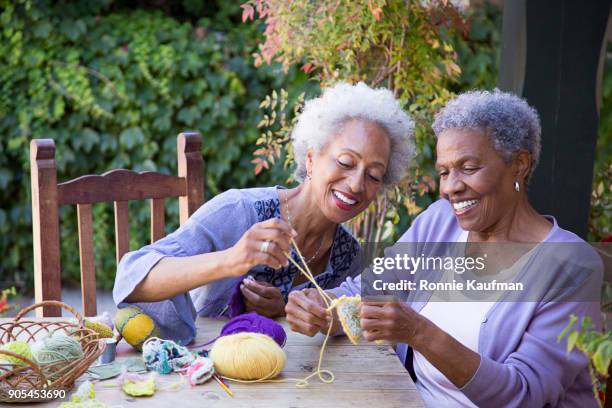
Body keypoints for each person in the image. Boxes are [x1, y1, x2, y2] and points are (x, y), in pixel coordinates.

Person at [285, 90, 603, 407]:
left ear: (518, 164)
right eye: (444, 171)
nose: (451, 187)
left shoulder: (570, 265)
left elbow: (524, 395)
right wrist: (323, 308)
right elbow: (368, 291)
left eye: (468, 167)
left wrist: (420, 332)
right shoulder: (441, 222)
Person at [112, 82, 415, 345]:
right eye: (346, 162)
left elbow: (340, 324)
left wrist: (284, 308)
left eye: (374, 175)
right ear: (311, 159)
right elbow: (131, 277)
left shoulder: (348, 255)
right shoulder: (239, 211)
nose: (356, 184)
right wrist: (232, 260)